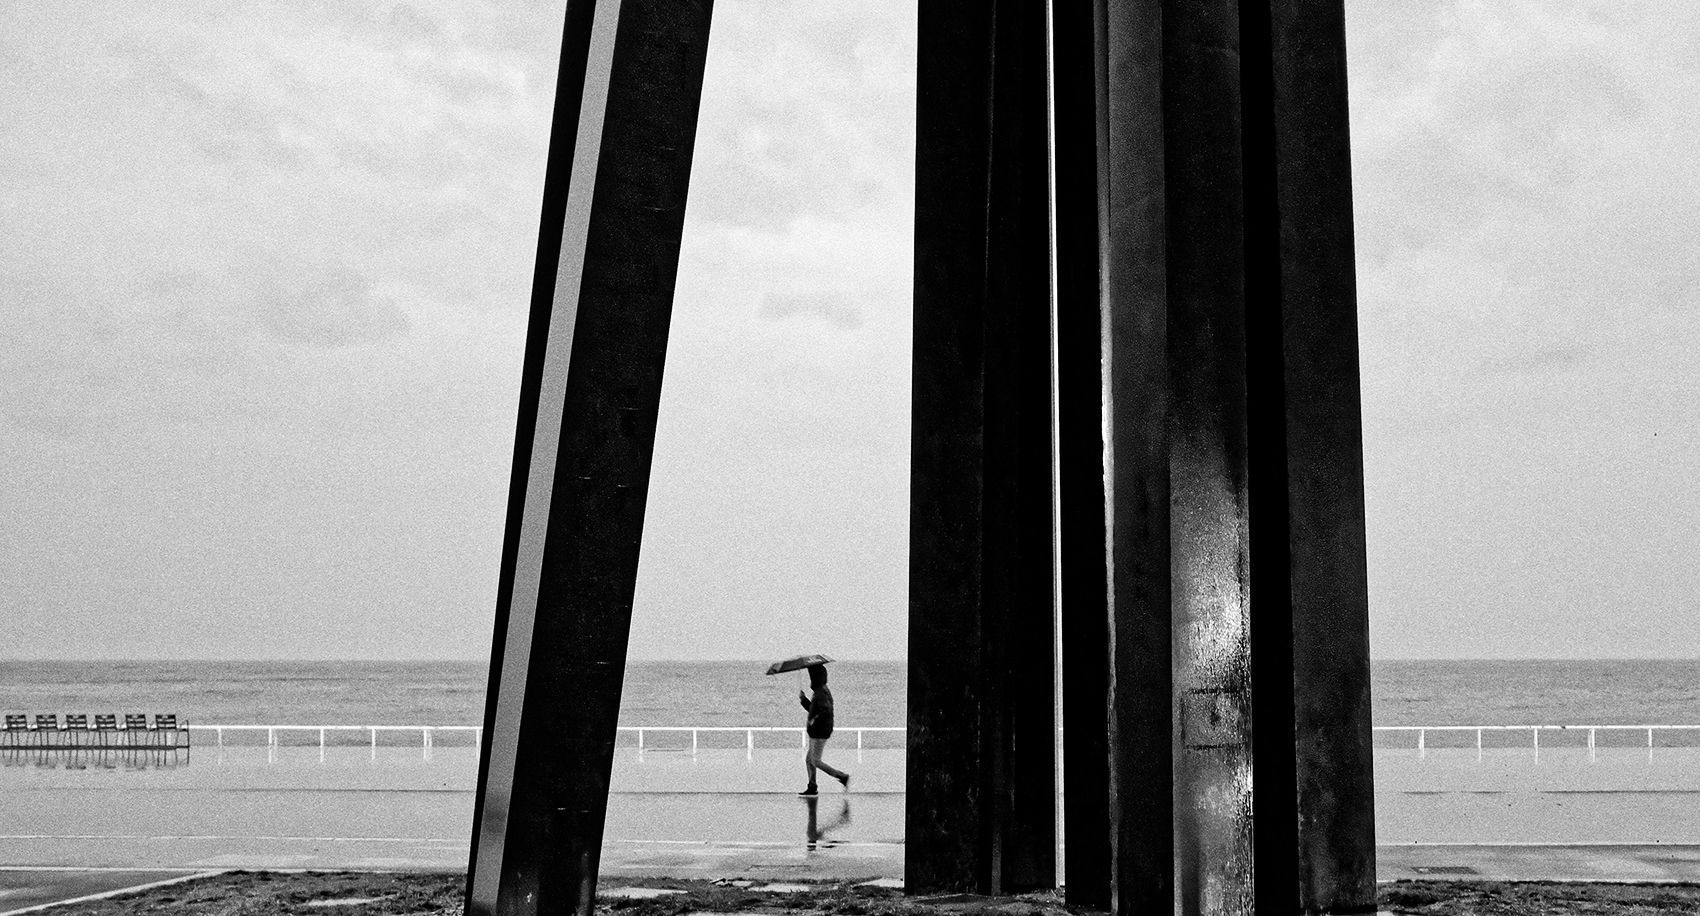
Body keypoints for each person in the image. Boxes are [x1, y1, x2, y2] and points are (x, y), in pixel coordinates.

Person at [797, 664, 850, 796]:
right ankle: (812, 785)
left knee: (815, 760)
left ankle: (841, 776)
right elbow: (814, 710)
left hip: (819, 731)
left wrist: (814, 720)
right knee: (809, 759)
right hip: (817, 730)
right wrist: (804, 701)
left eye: (812, 675)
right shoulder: (820, 691)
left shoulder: (821, 692)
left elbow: (824, 711)